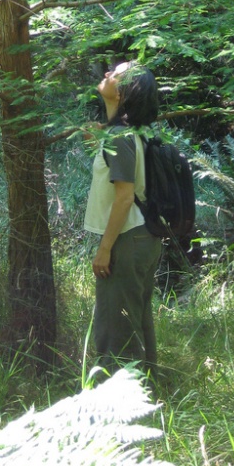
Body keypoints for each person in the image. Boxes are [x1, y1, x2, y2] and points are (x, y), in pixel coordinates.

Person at [83, 61, 162, 375]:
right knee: (136, 325)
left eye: (114, 74)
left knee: (116, 331)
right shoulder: (128, 133)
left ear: (125, 91)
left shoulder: (120, 136)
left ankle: (117, 412)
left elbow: (125, 195)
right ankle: (147, 400)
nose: (106, 74)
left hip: (127, 241)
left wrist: (105, 248)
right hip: (142, 238)